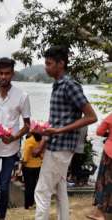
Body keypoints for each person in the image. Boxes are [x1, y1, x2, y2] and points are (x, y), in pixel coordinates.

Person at [33, 45, 97, 220]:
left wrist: (59, 131)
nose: (46, 67)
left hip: (61, 147)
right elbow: (55, 121)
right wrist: (42, 142)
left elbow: (91, 117)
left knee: (42, 191)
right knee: (60, 188)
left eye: (49, 63)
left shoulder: (70, 85)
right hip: (55, 145)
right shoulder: (57, 85)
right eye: (45, 63)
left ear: (61, 64)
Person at [0, 57, 31, 220]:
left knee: (4, 187)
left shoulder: (22, 96)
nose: (4, 77)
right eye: (0, 73)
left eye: (7, 73)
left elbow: (27, 125)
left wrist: (14, 138)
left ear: (13, 74)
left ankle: (2, 216)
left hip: (11, 149)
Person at [87, 113, 112, 220]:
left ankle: (100, 212)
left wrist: (108, 133)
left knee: (104, 181)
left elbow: (99, 131)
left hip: (110, 153)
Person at [22, 133, 43, 209]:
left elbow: (26, 155)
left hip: (28, 167)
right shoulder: (41, 141)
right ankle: (34, 203)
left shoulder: (29, 141)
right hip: (38, 167)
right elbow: (42, 154)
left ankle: (28, 205)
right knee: (35, 185)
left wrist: (22, 164)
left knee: (28, 186)